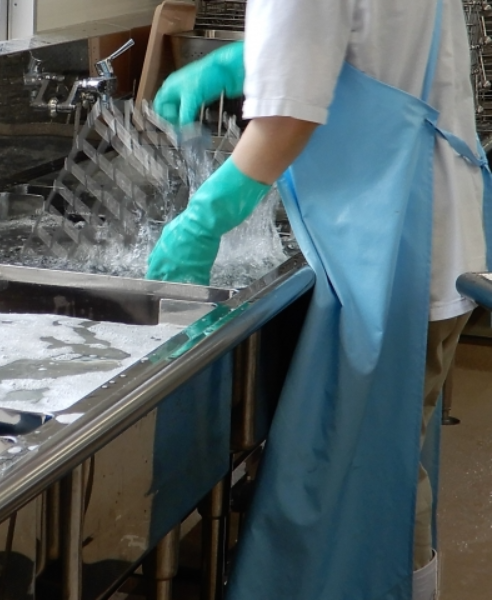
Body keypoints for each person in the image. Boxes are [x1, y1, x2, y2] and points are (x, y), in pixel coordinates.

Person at [146, 0, 488, 598]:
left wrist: (201, 221)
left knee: (368, 484)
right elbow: (360, 45)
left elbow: (286, 121)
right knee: (385, 467)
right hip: (423, 233)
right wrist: (247, 61)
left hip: (394, 247)